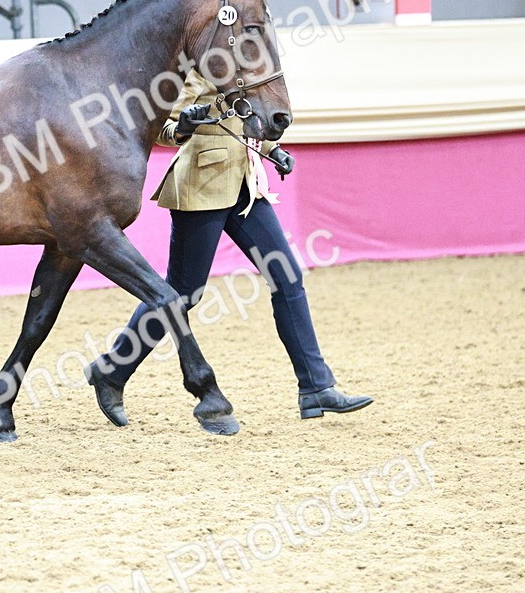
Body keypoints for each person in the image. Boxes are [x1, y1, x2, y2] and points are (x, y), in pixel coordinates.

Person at [86, 70, 372, 430]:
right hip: (201, 187)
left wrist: (272, 150)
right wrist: (182, 128)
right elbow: (161, 127)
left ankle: (316, 387)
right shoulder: (192, 71)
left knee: (287, 277)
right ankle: (112, 370)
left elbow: (247, 119)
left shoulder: (245, 68)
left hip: (244, 186)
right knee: (183, 293)